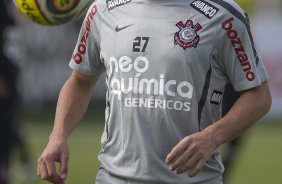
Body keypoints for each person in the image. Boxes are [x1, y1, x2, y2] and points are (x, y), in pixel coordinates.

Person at [37, 0, 272, 183]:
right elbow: (80, 80)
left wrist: (212, 137)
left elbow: (258, 97)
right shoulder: (103, 9)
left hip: (193, 180)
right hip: (112, 178)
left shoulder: (223, 16)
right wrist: (58, 135)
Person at [0, 0, 33, 183]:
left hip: (11, 80)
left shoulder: (10, 5)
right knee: (6, 133)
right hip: (3, 80)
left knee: (9, 130)